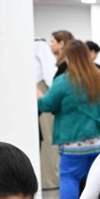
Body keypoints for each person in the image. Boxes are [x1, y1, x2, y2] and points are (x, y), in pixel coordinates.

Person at [37, 40, 100, 199]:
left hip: (74, 145)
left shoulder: (64, 81)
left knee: (70, 178)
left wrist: (38, 95)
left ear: (68, 59)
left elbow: (47, 104)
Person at [34, 38, 60, 191]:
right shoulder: (40, 46)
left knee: (46, 138)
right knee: (48, 138)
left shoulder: (38, 45)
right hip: (44, 89)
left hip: (41, 89)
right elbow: (50, 72)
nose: (51, 44)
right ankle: (50, 181)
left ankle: (48, 180)